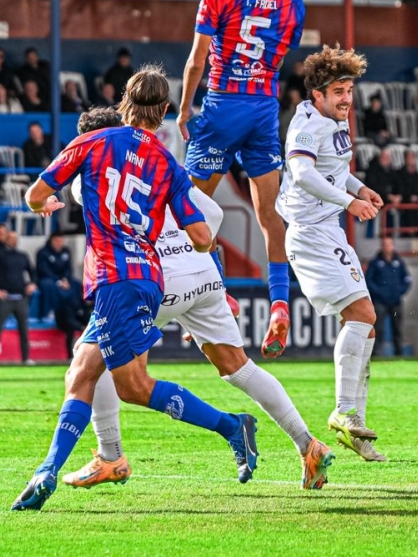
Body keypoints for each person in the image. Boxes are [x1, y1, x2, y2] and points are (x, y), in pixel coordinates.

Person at [13, 66, 258, 511]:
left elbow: (35, 193)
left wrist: (46, 202)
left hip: (115, 278)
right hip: (146, 276)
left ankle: (231, 426)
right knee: (83, 372)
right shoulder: (166, 162)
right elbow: (202, 237)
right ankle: (47, 472)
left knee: (134, 386)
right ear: (164, 110)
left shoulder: (92, 141)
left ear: (122, 101)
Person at [65, 107, 336, 485]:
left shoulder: (93, 168)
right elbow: (210, 216)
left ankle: (111, 456)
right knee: (239, 368)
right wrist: (219, 286)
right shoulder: (158, 159)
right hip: (202, 273)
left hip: (154, 277)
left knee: (96, 362)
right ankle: (309, 445)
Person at [177, 0, 303, 357]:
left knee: (192, 211)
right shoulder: (293, 3)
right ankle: (281, 304)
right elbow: (278, 55)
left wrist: (185, 107)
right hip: (263, 111)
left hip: (222, 106)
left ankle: (220, 296)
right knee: (270, 214)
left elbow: (197, 60)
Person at [276, 46, 387, 460]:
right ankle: (344, 413)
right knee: (363, 316)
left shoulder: (333, 120)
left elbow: (334, 169)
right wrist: (347, 201)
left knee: (367, 327)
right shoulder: (305, 124)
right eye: (338, 91)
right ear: (317, 95)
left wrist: (358, 188)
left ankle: (353, 423)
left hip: (329, 231)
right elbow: (303, 173)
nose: (346, 99)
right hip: (310, 233)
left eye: (349, 90)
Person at [0, 232, 37, 365]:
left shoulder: (22, 256)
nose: (14, 241)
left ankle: (25, 358)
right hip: (5, 298)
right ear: (6, 240)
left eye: (16, 239)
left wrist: (32, 284)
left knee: (23, 330)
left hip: (20, 297)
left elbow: (32, 273)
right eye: (11, 238)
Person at [364, 237, 411, 358]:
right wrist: (379, 293)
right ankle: (376, 353)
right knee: (378, 328)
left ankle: (399, 353)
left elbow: (407, 280)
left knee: (398, 328)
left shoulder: (399, 262)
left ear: (393, 246)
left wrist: (399, 292)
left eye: (389, 244)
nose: (387, 247)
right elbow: (369, 281)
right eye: (385, 244)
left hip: (396, 301)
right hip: (380, 301)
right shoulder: (375, 262)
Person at [35, 232, 78, 321]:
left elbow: (68, 268)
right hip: (48, 278)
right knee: (48, 285)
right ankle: (48, 312)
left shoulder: (66, 251)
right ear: (51, 241)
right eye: (57, 241)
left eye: (61, 241)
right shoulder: (43, 252)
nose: (59, 243)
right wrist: (58, 281)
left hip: (63, 279)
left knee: (77, 284)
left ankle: (78, 312)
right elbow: (44, 270)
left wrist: (65, 279)